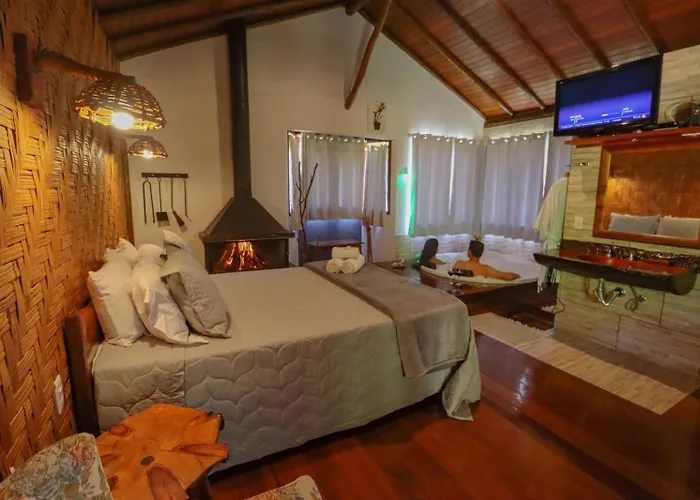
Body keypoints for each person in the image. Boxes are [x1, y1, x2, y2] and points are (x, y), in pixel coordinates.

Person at [453, 238, 520, 281]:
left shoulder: (459, 263)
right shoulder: (485, 269)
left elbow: (452, 277)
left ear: (469, 251)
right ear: (481, 254)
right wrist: (518, 276)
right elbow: (507, 276)